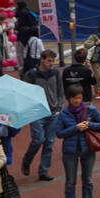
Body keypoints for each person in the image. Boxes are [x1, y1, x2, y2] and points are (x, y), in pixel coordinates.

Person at [54, 85, 100, 198]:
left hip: (87, 149)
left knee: (87, 180)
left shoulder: (90, 110)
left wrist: (89, 125)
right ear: (69, 99)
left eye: (80, 98)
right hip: (70, 151)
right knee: (70, 182)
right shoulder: (63, 114)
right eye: (74, 98)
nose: (77, 101)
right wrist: (75, 128)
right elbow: (59, 133)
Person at [20, 49, 61, 183]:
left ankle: (43, 171)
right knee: (38, 139)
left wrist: (59, 106)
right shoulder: (32, 74)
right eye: (49, 60)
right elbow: (25, 93)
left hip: (52, 111)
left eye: (52, 61)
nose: (51, 63)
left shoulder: (55, 73)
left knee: (49, 143)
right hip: (37, 112)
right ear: (42, 59)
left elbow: (60, 90)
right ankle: (27, 161)